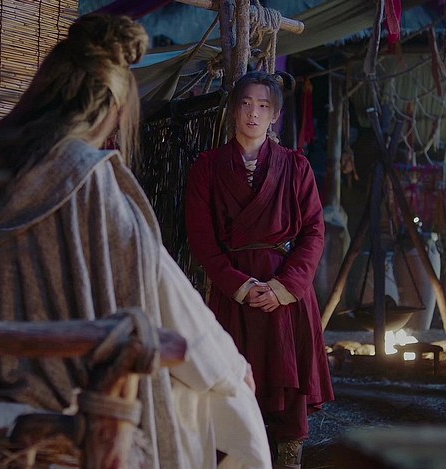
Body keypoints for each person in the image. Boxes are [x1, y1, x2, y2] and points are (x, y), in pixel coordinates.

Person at [0, 14, 271, 469]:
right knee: (218, 397)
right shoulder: (87, 180)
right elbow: (160, 287)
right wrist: (228, 366)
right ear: (109, 109)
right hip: (55, 397)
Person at [185, 71, 334, 469]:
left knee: (288, 392)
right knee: (231, 386)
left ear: (275, 116)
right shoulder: (208, 168)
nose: (253, 113)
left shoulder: (295, 166)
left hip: (285, 295)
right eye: (246, 104)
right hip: (234, 293)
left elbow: (314, 232)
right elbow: (202, 239)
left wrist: (285, 287)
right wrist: (240, 285)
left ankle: (287, 461)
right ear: (234, 110)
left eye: (263, 106)